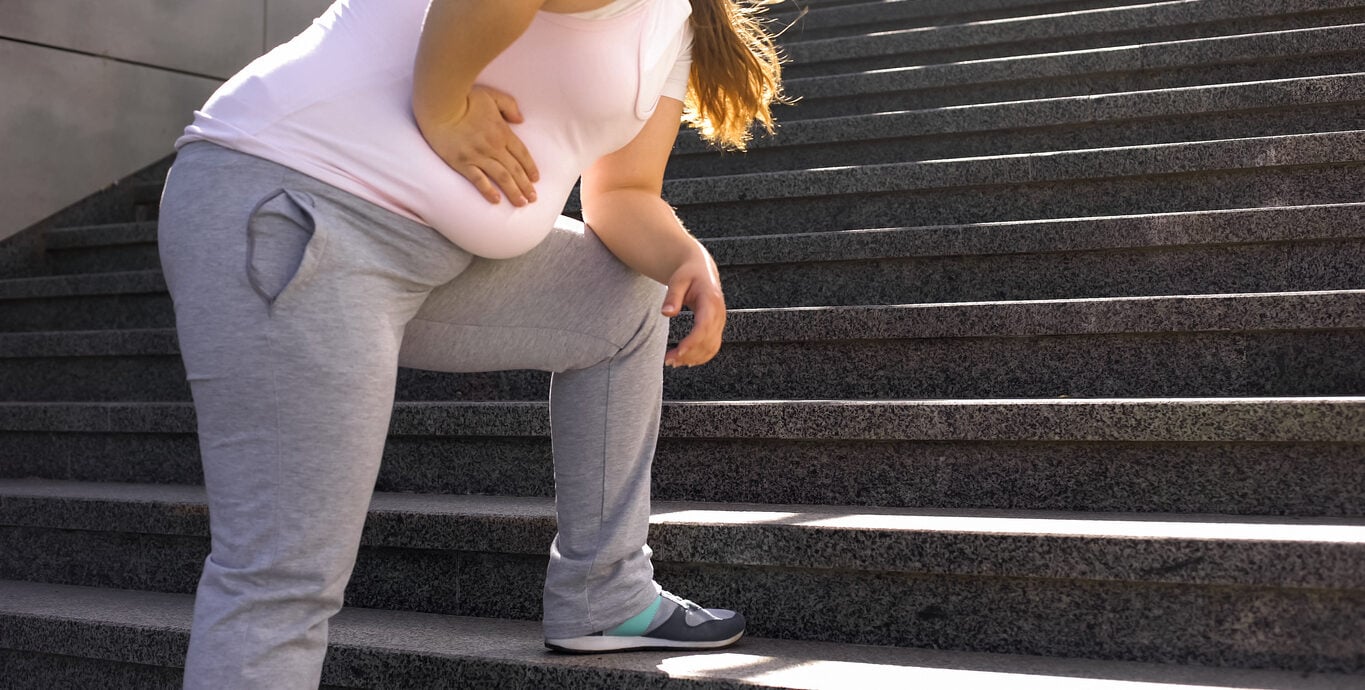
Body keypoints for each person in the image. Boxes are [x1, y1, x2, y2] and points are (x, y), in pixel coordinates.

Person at [156, 0, 785, 686]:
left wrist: (687, 258)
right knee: (281, 578)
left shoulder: (676, 23)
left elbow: (623, 192)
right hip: (298, 204)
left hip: (430, 260)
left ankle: (603, 594)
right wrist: (445, 105)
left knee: (625, 298)